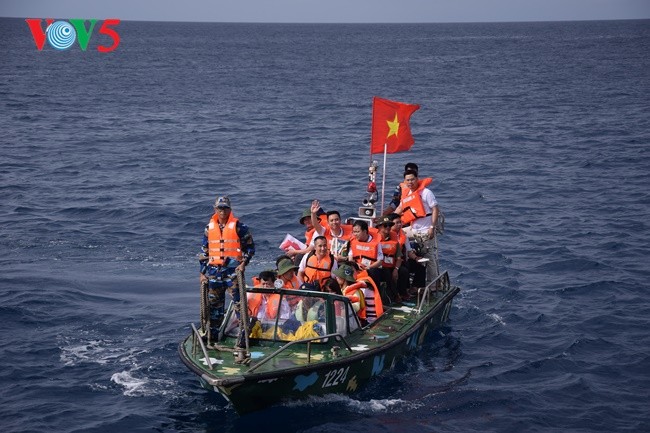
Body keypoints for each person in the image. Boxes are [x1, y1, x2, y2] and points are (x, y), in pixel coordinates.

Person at [199, 196, 255, 341]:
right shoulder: (208, 228)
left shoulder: (239, 227)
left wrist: (243, 264)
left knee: (239, 304)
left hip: (233, 273)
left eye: (225, 208)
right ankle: (213, 333)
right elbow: (205, 252)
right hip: (214, 272)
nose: (222, 211)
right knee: (214, 305)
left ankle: (244, 334)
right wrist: (202, 272)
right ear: (215, 209)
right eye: (220, 208)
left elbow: (250, 248)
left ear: (230, 209)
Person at [394, 168, 439, 284]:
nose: (410, 182)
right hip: (413, 229)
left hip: (425, 230)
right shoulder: (407, 194)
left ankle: (433, 284)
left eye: (412, 179)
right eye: (407, 180)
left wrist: (432, 227)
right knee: (398, 233)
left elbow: (435, 209)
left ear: (417, 179)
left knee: (429, 258)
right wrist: (386, 220)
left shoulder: (426, 193)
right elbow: (399, 209)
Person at [347, 219, 384, 293]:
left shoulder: (376, 242)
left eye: (357, 232)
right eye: (354, 232)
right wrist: (356, 265)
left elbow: (380, 260)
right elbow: (350, 258)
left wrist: (369, 267)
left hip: (371, 268)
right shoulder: (353, 241)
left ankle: (376, 294)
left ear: (365, 231)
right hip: (357, 267)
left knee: (374, 272)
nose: (355, 234)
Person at [375, 215, 404, 302]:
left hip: (391, 265)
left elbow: (399, 258)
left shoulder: (394, 239)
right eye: (385, 225)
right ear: (379, 227)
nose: (388, 227)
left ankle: (403, 293)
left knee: (403, 271)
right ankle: (395, 295)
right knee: (386, 272)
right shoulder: (375, 239)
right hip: (379, 267)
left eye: (390, 225)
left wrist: (396, 269)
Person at [388, 212, 414, 300]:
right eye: (397, 223)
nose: (399, 225)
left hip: (399, 260)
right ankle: (399, 293)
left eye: (400, 222)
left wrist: (416, 258)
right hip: (388, 262)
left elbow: (409, 250)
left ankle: (414, 289)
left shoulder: (403, 235)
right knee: (404, 270)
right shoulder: (386, 235)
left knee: (417, 266)